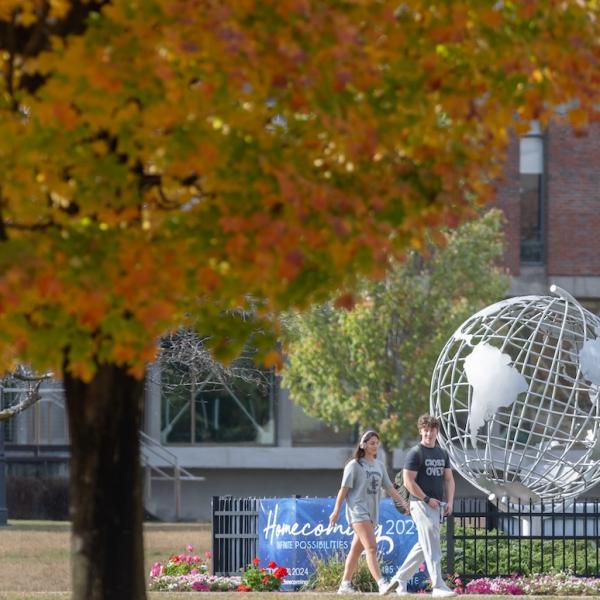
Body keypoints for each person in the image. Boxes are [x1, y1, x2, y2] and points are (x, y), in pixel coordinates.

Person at [329, 429, 411, 595]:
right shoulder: (353, 465)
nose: (375, 446)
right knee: (372, 548)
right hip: (358, 511)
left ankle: (344, 585)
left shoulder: (379, 465)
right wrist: (336, 511)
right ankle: (382, 584)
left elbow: (389, 487)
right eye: (372, 443)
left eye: (377, 443)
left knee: (356, 550)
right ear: (363, 444)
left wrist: (403, 501)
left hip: (372, 512)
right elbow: (343, 490)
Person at [382, 415, 456, 597]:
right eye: (426, 429)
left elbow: (449, 479)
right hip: (420, 504)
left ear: (437, 431)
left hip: (437, 506)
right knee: (433, 544)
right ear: (420, 431)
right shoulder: (416, 453)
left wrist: (451, 501)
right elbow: (408, 481)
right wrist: (426, 499)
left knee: (424, 545)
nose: (429, 433)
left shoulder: (442, 453)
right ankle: (438, 586)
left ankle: (400, 579)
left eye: (432, 429)